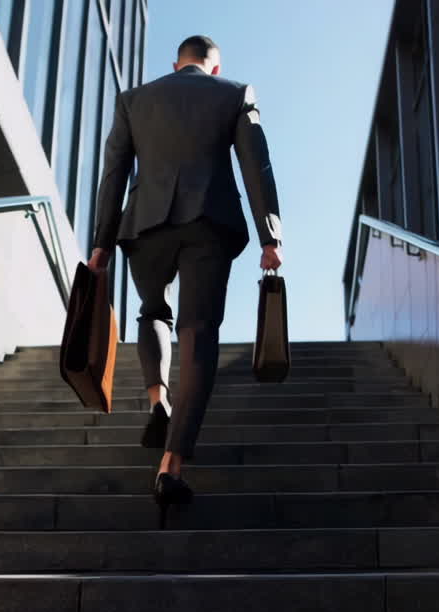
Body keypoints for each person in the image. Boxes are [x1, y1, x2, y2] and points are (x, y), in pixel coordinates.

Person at [88, 34, 284, 511]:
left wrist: (100, 245)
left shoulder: (133, 100)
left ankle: (158, 398)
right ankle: (170, 465)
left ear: (176, 64)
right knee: (198, 331)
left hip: (145, 226)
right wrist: (270, 237)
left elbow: (114, 173)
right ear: (214, 68)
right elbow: (256, 165)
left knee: (153, 310)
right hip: (208, 224)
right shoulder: (235, 93)